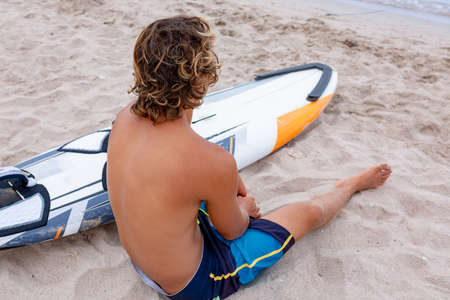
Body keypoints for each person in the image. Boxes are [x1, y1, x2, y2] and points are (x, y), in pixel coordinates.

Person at [107, 16, 392, 300]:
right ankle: (352, 185)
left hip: (143, 262)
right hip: (194, 283)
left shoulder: (126, 118)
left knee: (204, 186)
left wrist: (224, 178)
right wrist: (242, 208)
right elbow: (233, 231)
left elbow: (178, 145)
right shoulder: (211, 162)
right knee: (307, 213)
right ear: (202, 78)